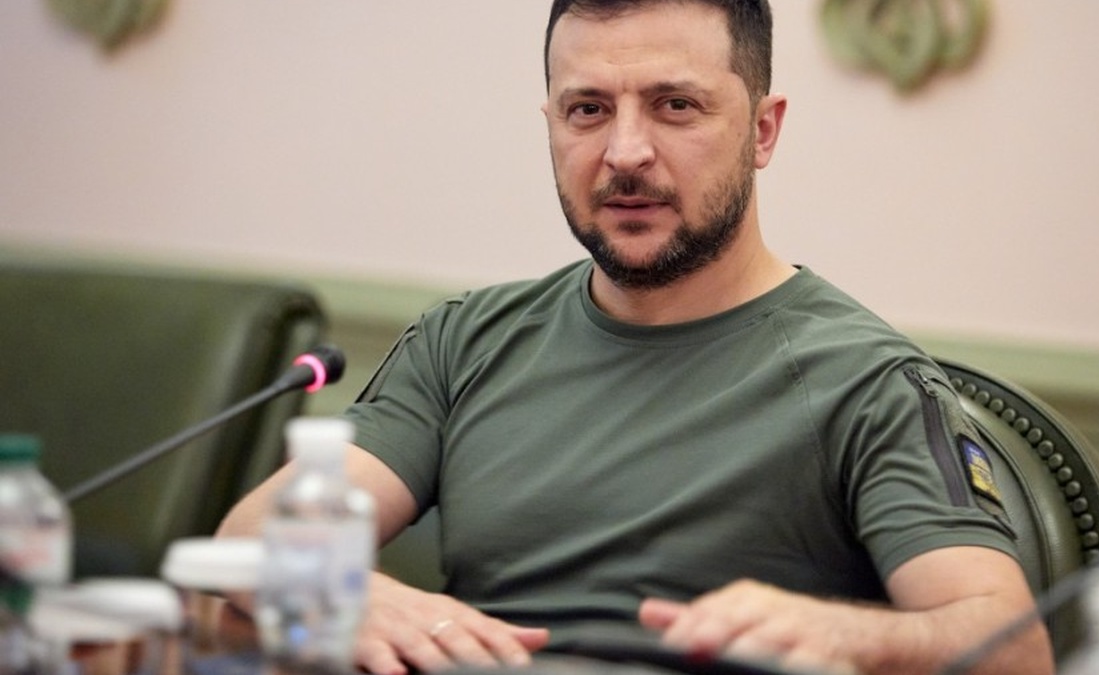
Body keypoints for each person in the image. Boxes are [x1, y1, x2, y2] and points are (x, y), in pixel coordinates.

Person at [218, 1, 1055, 674]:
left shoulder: (864, 378)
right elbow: (246, 546)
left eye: (675, 106)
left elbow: (1012, 650)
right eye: (588, 110)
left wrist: (843, 633)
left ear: (763, 130)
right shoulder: (464, 341)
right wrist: (341, 590)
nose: (624, 152)